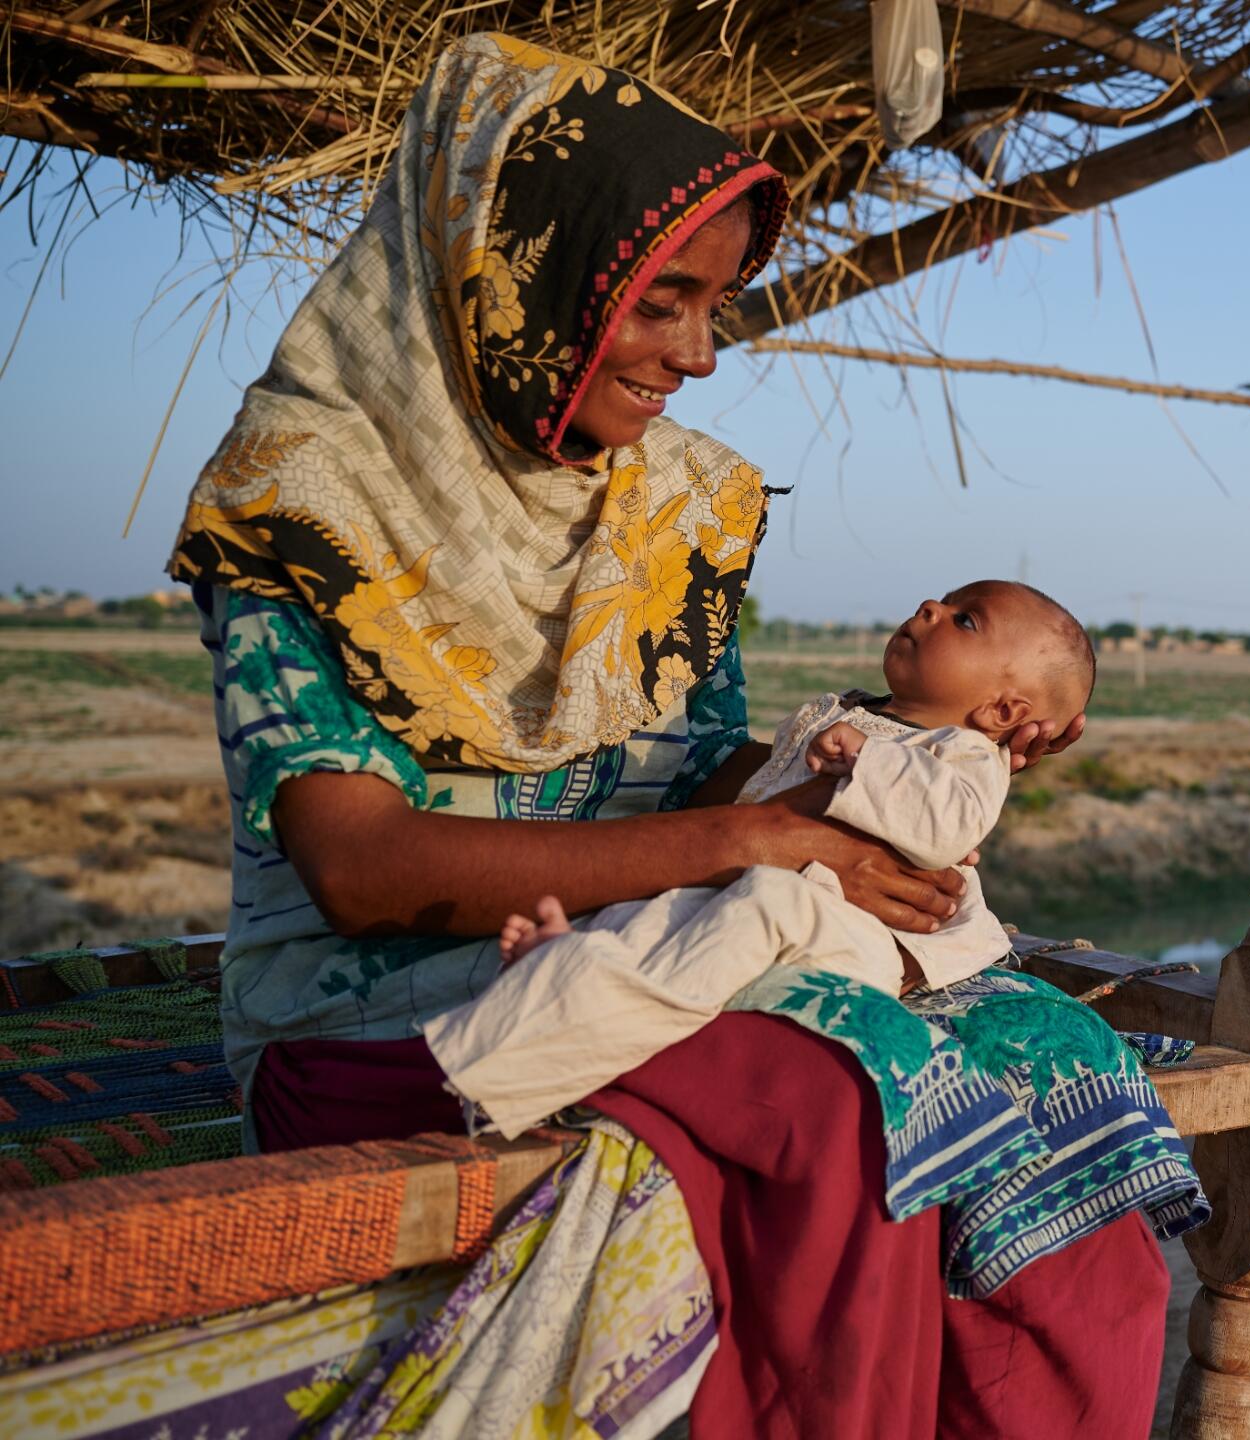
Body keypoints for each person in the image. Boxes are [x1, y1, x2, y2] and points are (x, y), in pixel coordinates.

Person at [168, 34, 1173, 1439]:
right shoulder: (300, 502)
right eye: (665, 301)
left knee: (1043, 1050)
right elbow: (360, 867)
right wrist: (751, 840)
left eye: (719, 305)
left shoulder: (681, 510)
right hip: (385, 1018)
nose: (701, 355)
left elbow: (712, 769)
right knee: (841, 1107)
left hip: (649, 941)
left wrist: (906, 762)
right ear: (517, 271)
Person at [423, 580, 1103, 1139]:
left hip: (862, 933)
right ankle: (572, 973)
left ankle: (554, 1053)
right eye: (942, 601)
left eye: (966, 620)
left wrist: (866, 761)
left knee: (747, 916)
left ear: (1005, 708)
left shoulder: (970, 755)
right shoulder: (857, 713)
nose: (930, 608)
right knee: (658, 913)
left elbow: (942, 830)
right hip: (769, 885)